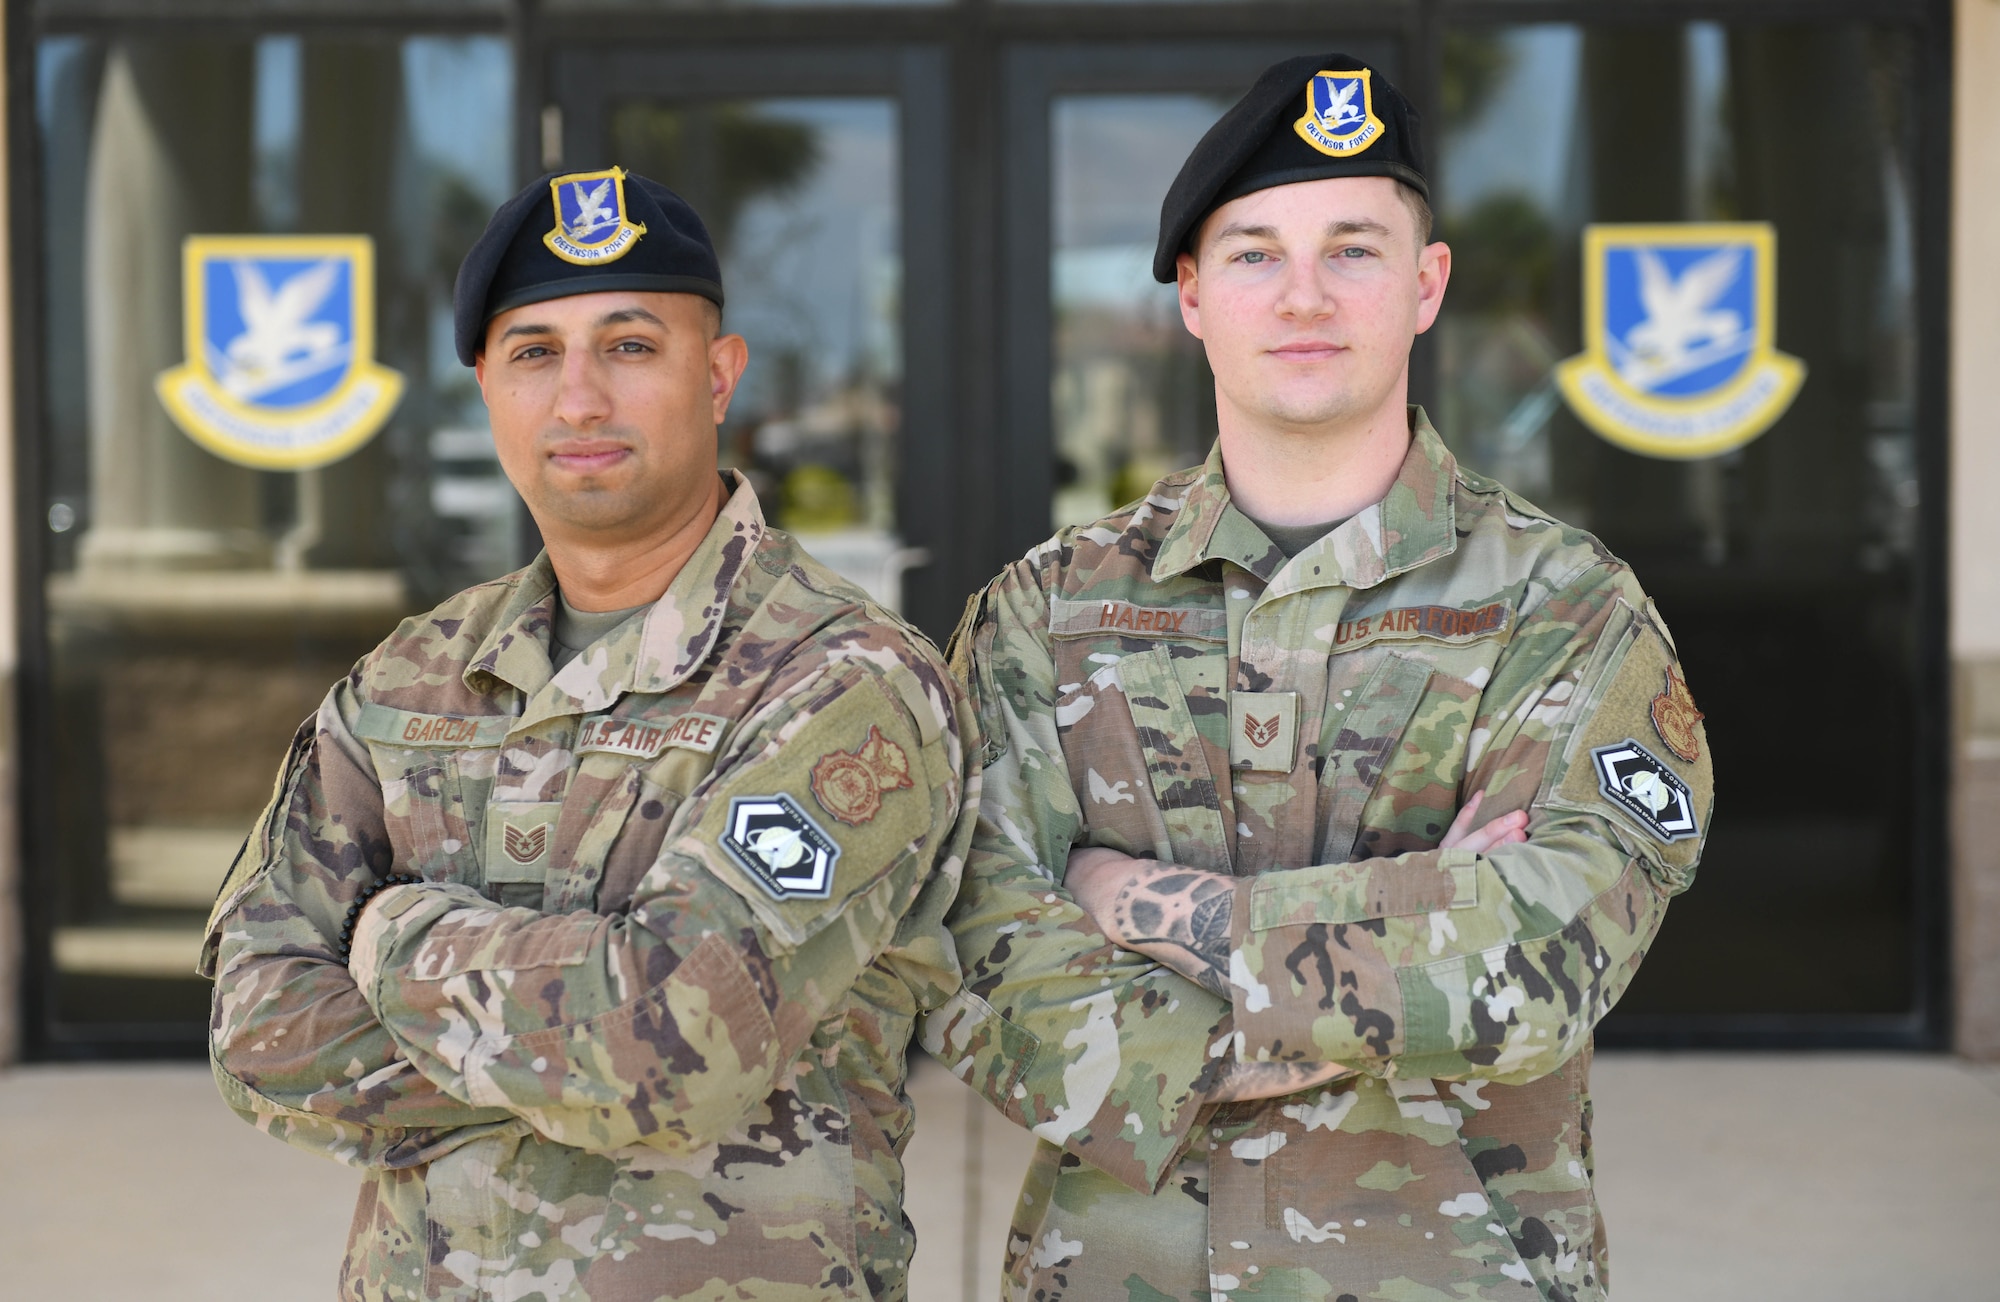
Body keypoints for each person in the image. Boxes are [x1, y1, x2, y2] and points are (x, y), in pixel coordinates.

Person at [922, 54, 1712, 1301]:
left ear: (1425, 285)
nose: (1303, 296)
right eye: (1251, 254)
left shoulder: (1562, 607)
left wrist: (1133, 903)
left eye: (1351, 249)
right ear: (1188, 295)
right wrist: (1419, 907)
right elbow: (963, 945)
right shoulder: (1047, 610)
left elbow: (1545, 958)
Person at [200, 167, 977, 1301]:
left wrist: (389, 934)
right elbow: (256, 1028)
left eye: (627, 347)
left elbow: (665, 1046)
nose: (577, 401)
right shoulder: (411, 676)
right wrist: (571, 1040)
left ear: (716, 376)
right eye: (532, 354)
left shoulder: (843, 682)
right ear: (484, 388)